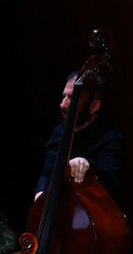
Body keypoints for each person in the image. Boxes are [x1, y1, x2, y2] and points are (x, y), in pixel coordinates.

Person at [33, 73, 123, 203]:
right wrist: (40, 193)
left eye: (71, 98)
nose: (62, 104)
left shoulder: (110, 139)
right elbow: (47, 174)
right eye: (64, 96)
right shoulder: (58, 132)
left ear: (94, 106)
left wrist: (89, 166)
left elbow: (110, 180)